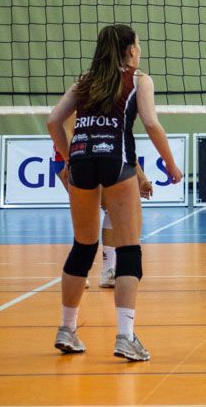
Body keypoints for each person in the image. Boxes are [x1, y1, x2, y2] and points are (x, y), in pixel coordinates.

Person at [48, 23, 183, 362]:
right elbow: (151, 124)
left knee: (83, 246)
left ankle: (67, 329)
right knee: (128, 249)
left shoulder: (84, 81)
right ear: (130, 50)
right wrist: (172, 165)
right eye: (138, 45)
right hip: (115, 161)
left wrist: (66, 160)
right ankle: (125, 336)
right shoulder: (139, 80)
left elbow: (53, 121)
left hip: (80, 160)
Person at [54, 115, 153, 289]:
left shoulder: (114, 111)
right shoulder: (82, 98)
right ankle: (84, 271)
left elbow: (125, 148)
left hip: (96, 158)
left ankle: (105, 272)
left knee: (109, 209)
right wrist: (70, 160)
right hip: (71, 159)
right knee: (88, 213)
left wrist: (143, 178)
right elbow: (65, 130)